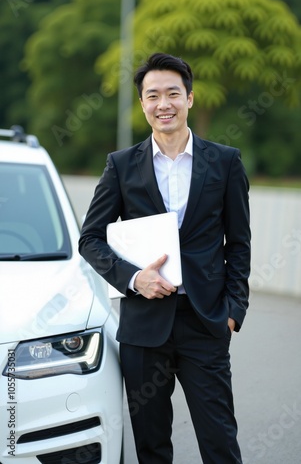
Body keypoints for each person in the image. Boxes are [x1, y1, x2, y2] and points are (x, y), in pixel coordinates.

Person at [79, 52, 251, 463]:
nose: (163, 104)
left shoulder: (225, 162)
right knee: (152, 448)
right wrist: (135, 278)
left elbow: (239, 243)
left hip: (205, 323)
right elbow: (91, 239)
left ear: (189, 98)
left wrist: (233, 310)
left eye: (173, 93)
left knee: (220, 442)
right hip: (143, 329)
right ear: (142, 104)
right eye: (152, 95)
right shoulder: (121, 166)